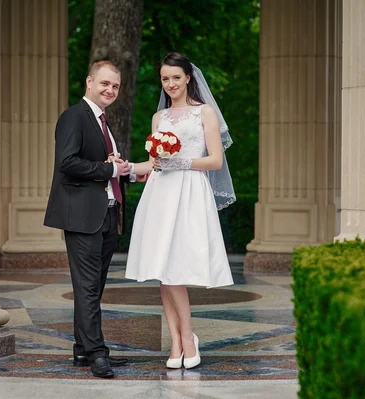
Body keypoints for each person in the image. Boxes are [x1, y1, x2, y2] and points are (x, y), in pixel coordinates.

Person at [125, 52, 236, 370]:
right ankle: (177, 341)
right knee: (163, 269)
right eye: (164, 79)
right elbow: (155, 163)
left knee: (176, 268)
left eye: (176, 77)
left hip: (189, 193)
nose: (170, 84)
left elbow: (215, 160)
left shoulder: (206, 113)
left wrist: (181, 161)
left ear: (188, 77)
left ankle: (188, 337)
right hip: (160, 192)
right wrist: (138, 166)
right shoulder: (158, 119)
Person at [44, 60, 148, 378]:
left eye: (115, 86)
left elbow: (103, 165)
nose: (110, 90)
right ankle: (97, 353)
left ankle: (82, 351)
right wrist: (112, 169)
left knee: (93, 287)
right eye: (104, 83)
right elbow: (68, 163)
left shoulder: (102, 121)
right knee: (88, 287)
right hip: (82, 216)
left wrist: (126, 173)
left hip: (107, 214)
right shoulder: (74, 116)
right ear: (89, 81)